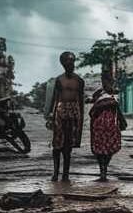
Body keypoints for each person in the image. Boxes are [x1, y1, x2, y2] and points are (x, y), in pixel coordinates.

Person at [47, 52, 85, 181]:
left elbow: (81, 101)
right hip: (60, 111)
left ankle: (66, 175)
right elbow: (55, 98)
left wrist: (80, 119)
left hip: (73, 112)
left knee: (68, 146)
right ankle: (55, 173)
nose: (71, 65)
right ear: (63, 64)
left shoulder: (79, 81)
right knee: (57, 144)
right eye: (68, 63)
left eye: (72, 62)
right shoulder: (59, 80)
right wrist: (51, 115)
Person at [89, 72, 126, 181]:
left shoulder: (116, 93)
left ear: (112, 82)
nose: (107, 83)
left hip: (111, 125)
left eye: (109, 81)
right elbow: (93, 108)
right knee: (99, 149)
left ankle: (104, 169)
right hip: (99, 125)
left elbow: (117, 109)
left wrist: (122, 121)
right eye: (104, 81)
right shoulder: (98, 93)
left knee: (110, 148)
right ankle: (103, 171)